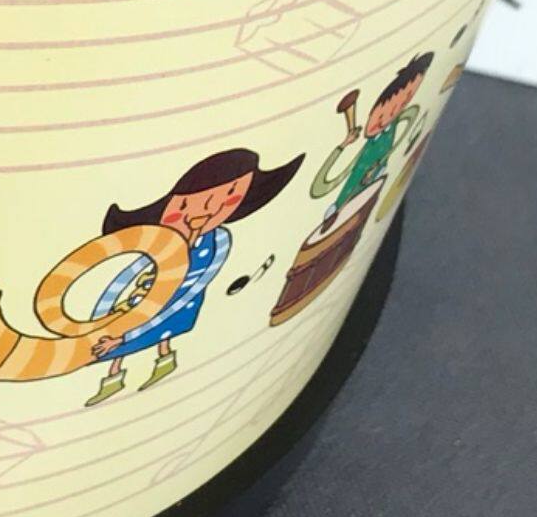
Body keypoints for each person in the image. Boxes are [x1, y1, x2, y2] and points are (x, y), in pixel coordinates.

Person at [85, 145, 301, 406]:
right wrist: (98, 320)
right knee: (122, 334)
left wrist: (123, 337)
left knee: (156, 333)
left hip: (179, 300)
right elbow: (127, 278)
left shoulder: (217, 241)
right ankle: (117, 377)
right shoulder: (161, 245)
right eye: (184, 205)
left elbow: (194, 285)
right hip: (143, 298)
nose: (205, 211)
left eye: (228, 198)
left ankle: (160, 362)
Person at [308, 54, 432, 229]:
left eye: (397, 109)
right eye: (381, 116)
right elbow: (320, 186)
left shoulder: (390, 133)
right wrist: (343, 145)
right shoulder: (367, 149)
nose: (384, 120)